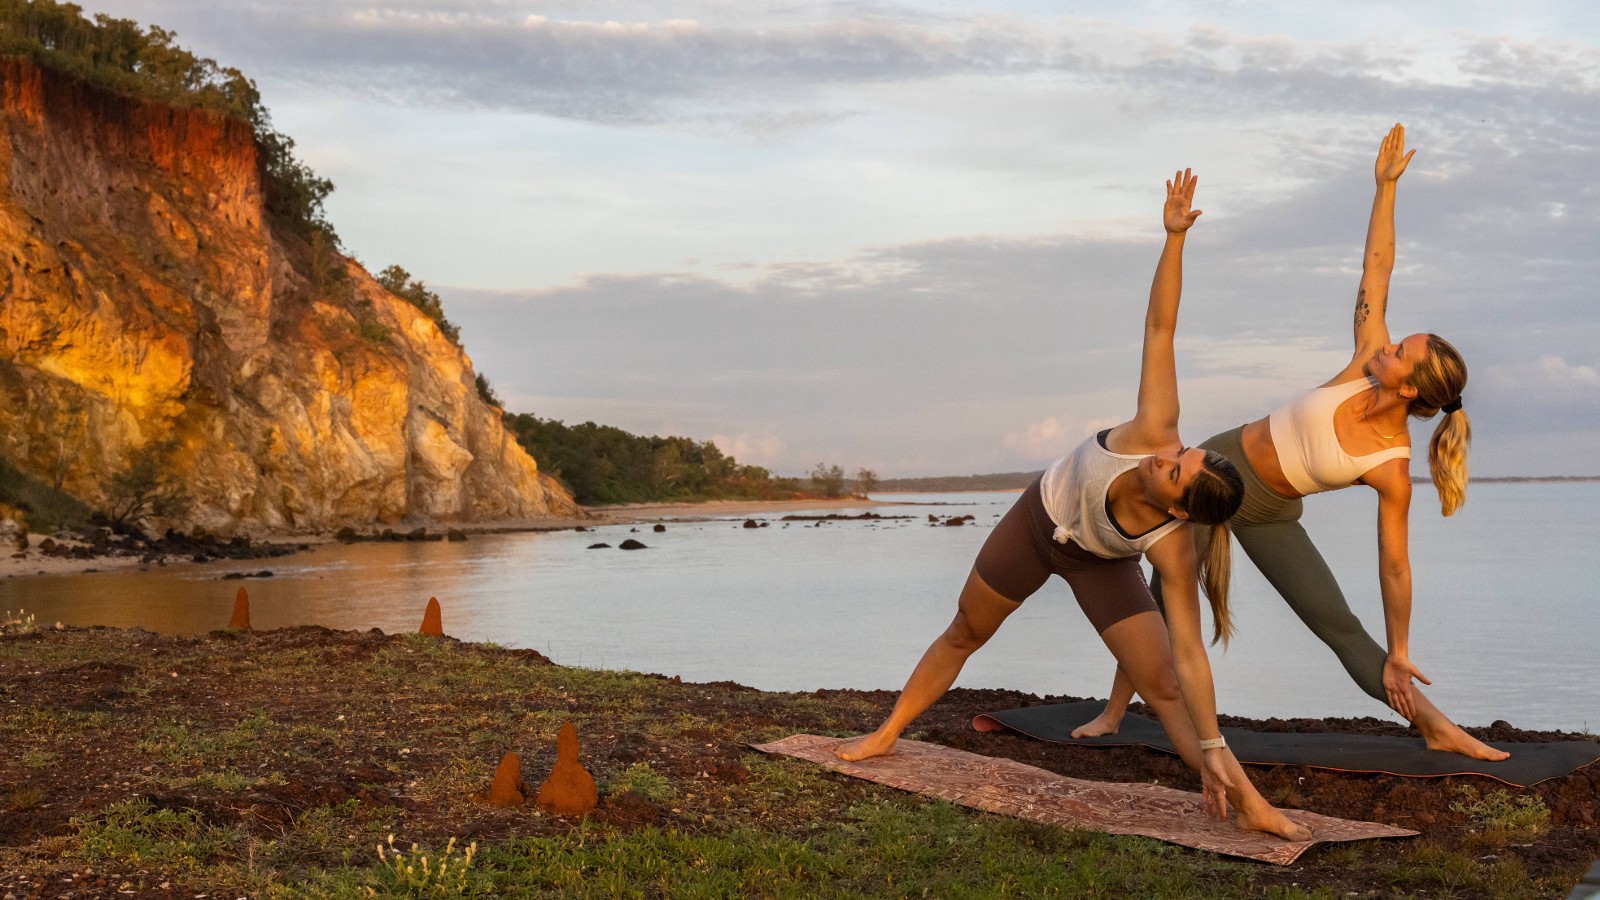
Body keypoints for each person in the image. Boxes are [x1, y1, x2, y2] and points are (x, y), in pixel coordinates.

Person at [836, 169, 1311, 841]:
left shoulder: (1172, 548)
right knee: (965, 632)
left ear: (1180, 508)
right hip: (1036, 524)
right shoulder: (1155, 426)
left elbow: (1191, 660)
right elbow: (1160, 327)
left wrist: (1210, 752)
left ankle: (1252, 802)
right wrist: (1173, 239)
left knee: (1166, 688)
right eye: (1179, 456)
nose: (1163, 458)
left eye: (1173, 472)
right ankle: (887, 732)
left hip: (1099, 564)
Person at [1072, 124, 1508, 763]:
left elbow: (1394, 565)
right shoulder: (1362, 359)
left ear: (1413, 390)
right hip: (1217, 468)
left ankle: (1434, 726)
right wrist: (1384, 189)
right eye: (1395, 341)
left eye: (1399, 352)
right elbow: (1377, 267)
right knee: (1168, 593)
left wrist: (1404, 647)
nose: (1386, 345)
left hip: (1273, 510)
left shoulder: (1389, 467)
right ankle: (1116, 710)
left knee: (1336, 626)